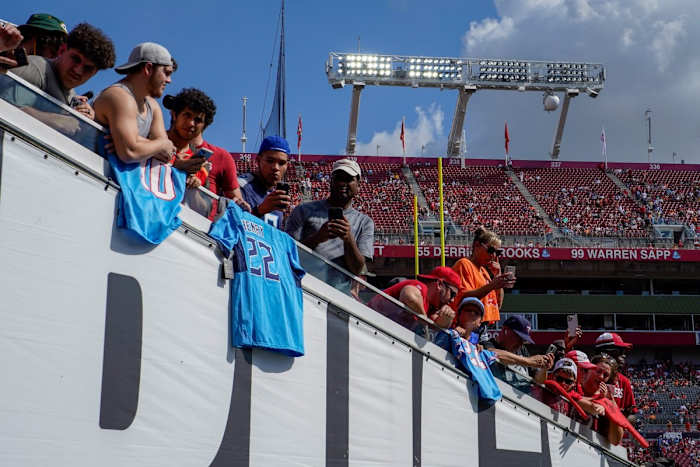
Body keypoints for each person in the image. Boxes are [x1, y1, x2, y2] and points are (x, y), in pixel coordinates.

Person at [4, 23, 114, 136]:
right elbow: (7, 109)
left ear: (94, 73)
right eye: (75, 59)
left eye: (88, 68)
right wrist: (57, 120)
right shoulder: (37, 70)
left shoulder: (72, 96)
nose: (78, 70)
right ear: (62, 50)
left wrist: (85, 122)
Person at [286, 158, 374, 287]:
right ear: (331, 182)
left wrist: (348, 239)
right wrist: (318, 238)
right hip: (303, 286)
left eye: (349, 179)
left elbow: (357, 269)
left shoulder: (365, 222)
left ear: (358, 185)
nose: (343, 183)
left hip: (338, 293)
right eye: (339, 178)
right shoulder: (303, 210)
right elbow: (287, 252)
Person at [94, 42, 176, 164]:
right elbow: (130, 152)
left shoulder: (153, 107)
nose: (169, 80)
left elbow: (166, 154)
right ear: (148, 68)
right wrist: (162, 143)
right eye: (166, 73)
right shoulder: (119, 96)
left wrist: (138, 142)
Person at [162, 89, 244, 208]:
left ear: (204, 126)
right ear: (174, 115)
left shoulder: (200, 163)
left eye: (198, 120)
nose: (191, 123)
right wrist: (175, 165)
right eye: (187, 115)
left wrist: (195, 187)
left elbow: (203, 207)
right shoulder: (152, 141)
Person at [451, 227, 514, 324]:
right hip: (469, 325)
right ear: (477, 246)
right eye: (491, 250)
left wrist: (498, 277)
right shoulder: (464, 264)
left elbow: (498, 304)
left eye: (497, 252)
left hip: (483, 325)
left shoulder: (485, 272)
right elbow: (464, 298)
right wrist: (492, 285)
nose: (493, 256)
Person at [368, 266, 460, 330]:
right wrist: (424, 322)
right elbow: (410, 296)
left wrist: (447, 318)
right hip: (368, 322)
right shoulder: (421, 287)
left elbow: (437, 325)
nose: (452, 300)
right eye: (452, 294)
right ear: (439, 284)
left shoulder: (430, 306)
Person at [481, 315, 554, 388]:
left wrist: (544, 369)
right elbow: (492, 354)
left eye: (524, 340)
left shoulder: (522, 349)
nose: (521, 343)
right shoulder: (488, 345)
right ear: (505, 330)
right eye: (519, 338)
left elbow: (539, 381)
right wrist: (528, 361)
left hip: (525, 397)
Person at [239, 135, 291, 228]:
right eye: (270, 161)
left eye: (281, 163)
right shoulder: (240, 186)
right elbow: (230, 226)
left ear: (287, 165)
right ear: (258, 160)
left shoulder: (276, 200)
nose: (276, 167)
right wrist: (260, 211)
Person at [594, 332, 637, 421]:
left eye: (624, 352)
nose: (624, 355)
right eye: (620, 351)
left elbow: (632, 415)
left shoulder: (624, 381)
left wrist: (621, 415)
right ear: (604, 354)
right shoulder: (589, 376)